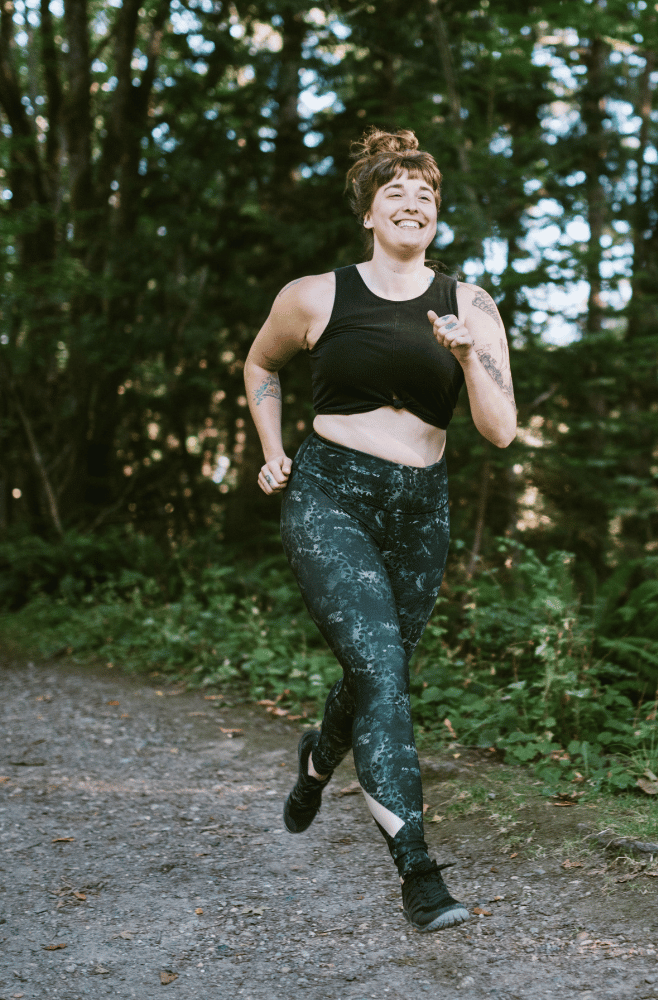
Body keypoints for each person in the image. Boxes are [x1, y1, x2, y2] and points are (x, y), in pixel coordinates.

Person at [243, 127, 516, 933]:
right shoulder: (314, 295)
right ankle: (420, 873)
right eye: (395, 191)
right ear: (369, 211)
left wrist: (470, 357)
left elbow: (500, 430)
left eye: (426, 194)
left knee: (379, 670)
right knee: (384, 674)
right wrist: (273, 452)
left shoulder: (471, 305)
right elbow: (261, 366)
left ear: (438, 217)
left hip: (419, 507)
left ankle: (319, 758)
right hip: (331, 495)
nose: (412, 203)